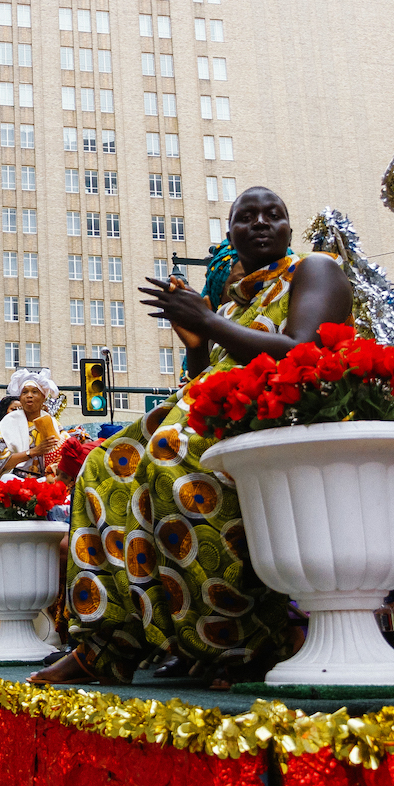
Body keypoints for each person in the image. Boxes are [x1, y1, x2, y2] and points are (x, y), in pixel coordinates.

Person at [32, 186, 353, 685]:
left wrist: (207, 321)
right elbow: (203, 381)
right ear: (231, 234)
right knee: (101, 465)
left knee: (169, 454)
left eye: (275, 215)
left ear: (290, 227)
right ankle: (109, 644)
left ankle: (231, 640)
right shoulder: (231, 307)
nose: (262, 223)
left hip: (281, 427)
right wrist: (200, 343)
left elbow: (302, 352)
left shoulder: (314, 270)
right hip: (218, 420)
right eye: (247, 217)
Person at [0, 370, 65, 480]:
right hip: (14, 480)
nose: (29, 396)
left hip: (44, 480)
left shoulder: (53, 423)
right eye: (25, 392)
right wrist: (34, 452)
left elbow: (64, 453)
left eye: (34, 392)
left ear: (43, 398)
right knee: (7, 479)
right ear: (20, 398)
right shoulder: (8, 422)